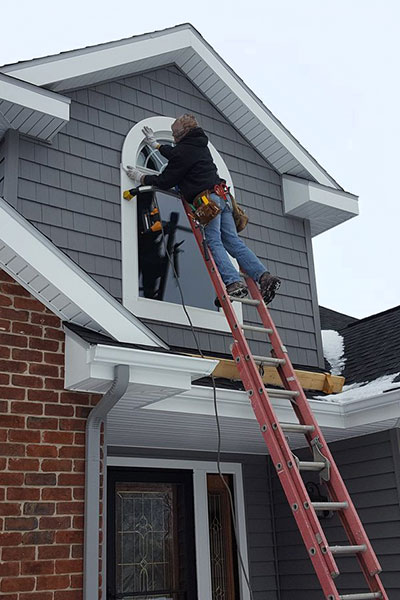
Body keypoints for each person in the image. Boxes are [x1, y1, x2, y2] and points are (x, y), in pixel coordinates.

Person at [125, 114, 280, 304]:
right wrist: (156, 145)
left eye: (174, 135)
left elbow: (165, 180)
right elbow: (176, 154)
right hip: (223, 198)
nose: (173, 138)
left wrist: (141, 177)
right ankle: (264, 277)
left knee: (213, 241)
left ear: (182, 134)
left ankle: (234, 284)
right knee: (233, 241)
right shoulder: (199, 144)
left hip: (208, 203)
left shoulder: (183, 151)